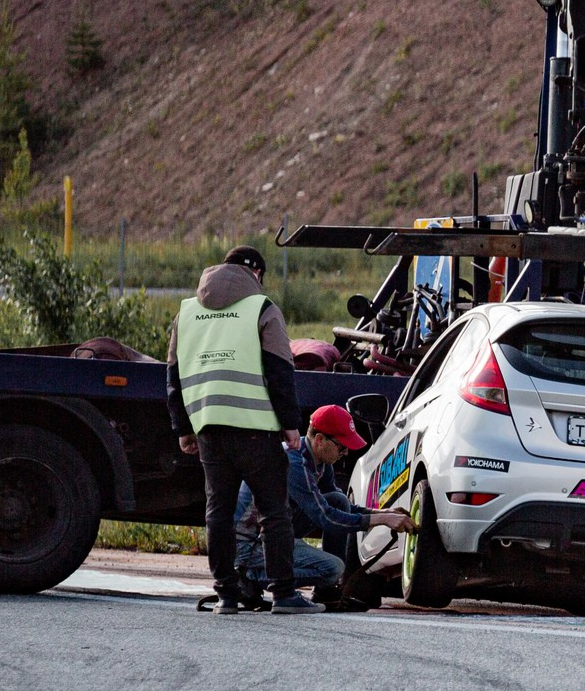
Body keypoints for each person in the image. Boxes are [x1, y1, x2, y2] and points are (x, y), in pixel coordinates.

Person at [167, 245, 313, 614]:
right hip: (254, 429)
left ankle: (226, 596)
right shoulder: (261, 309)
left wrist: (183, 428)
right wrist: (291, 425)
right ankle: (283, 594)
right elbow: (280, 370)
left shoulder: (186, 313)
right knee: (273, 512)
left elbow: (173, 375)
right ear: (257, 274)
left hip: (208, 429)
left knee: (218, 512)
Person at [234, 405, 412, 610]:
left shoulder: (319, 461)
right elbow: (325, 517)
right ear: (320, 440)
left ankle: (326, 591)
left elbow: (336, 507)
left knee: (338, 499)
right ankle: (248, 577)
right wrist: (381, 521)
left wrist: (383, 513)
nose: (345, 453)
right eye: (341, 446)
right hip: (249, 547)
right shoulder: (294, 462)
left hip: (271, 533)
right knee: (333, 568)